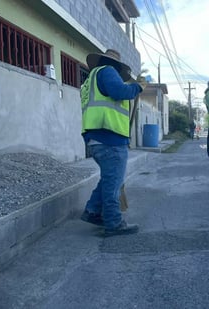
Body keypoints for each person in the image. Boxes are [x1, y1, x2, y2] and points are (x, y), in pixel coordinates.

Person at [79, 49, 146, 236]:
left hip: (96, 138)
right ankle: (113, 222)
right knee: (113, 183)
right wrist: (138, 87)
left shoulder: (89, 81)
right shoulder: (107, 71)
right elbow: (119, 91)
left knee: (109, 178)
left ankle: (92, 211)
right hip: (110, 137)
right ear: (117, 66)